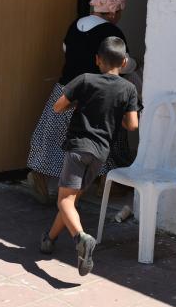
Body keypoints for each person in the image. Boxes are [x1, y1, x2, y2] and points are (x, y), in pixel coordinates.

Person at [27, 0, 138, 203]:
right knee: (106, 137)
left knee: (52, 136)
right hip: (99, 94)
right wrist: (136, 64)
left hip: (66, 88)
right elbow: (121, 63)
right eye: (120, 11)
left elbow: (66, 49)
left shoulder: (76, 25)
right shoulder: (111, 32)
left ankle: (39, 174)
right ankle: (107, 183)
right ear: (113, 11)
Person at [40, 37, 139, 275]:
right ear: (124, 63)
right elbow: (132, 125)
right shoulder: (129, 89)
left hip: (78, 148)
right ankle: (49, 239)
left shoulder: (85, 80)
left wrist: (76, 104)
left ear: (97, 60)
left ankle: (81, 238)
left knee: (64, 200)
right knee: (71, 200)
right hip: (101, 153)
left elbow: (57, 107)